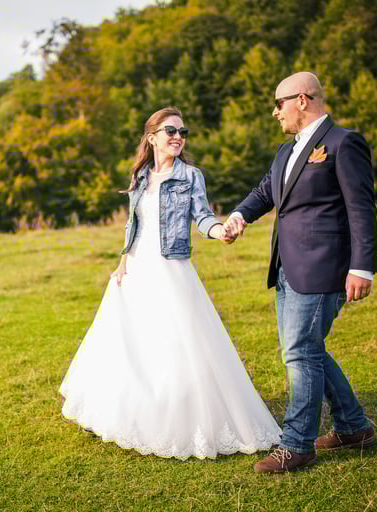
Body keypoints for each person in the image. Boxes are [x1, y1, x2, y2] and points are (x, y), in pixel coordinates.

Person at [59, 107, 281, 459]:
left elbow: (202, 216)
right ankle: (126, 412)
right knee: (129, 344)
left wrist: (219, 231)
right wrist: (122, 261)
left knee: (175, 342)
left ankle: (177, 414)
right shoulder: (140, 175)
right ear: (152, 138)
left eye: (182, 132)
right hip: (136, 267)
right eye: (171, 131)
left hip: (170, 268)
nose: (178, 137)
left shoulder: (191, 176)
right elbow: (133, 224)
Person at [222, 72, 377, 473]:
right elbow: (265, 191)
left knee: (299, 353)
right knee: (308, 350)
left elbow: (361, 208)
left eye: (279, 104)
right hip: (286, 268)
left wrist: (362, 267)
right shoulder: (285, 151)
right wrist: (240, 215)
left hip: (324, 267)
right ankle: (353, 427)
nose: (276, 113)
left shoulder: (343, 143)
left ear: (303, 100)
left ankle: (296, 445)